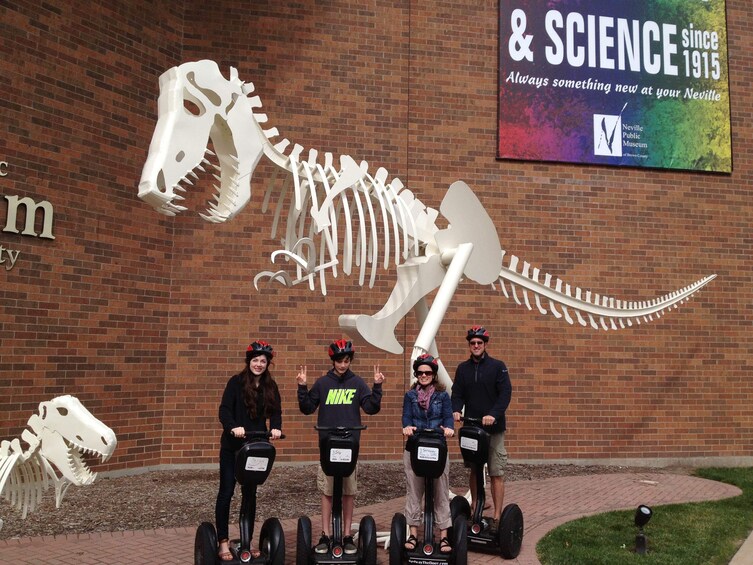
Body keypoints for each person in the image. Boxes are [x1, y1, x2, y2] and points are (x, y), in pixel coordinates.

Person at [297, 339, 385, 555]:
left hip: (349, 445)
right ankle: (326, 534)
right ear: (333, 361)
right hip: (328, 444)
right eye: (339, 361)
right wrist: (302, 386)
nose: (343, 365)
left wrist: (377, 386)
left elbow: (371, 408)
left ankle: (346, 535)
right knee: (327, 491)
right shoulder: (322, 383)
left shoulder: (357, 383)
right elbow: (307, 408)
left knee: (348, 492)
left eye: (346, 360)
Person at [215, 340, 282, 562]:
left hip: (255, 448)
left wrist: (275, 429)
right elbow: (224, 410)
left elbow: (276, 413)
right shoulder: (235, 383)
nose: (259, 364)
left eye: (263, 361)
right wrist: (233, 427)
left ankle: (247, 540)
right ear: (249, 361)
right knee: (226, 493)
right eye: (255, 360)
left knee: (250, 494)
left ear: (267, 363)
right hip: (232, 448)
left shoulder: (270, 387)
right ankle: (223, 541)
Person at [451, 325, 512, 532]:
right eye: (472, 343)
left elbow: (505, 394)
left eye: (479, 343)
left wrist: (493, 414)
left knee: (496, 471)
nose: (476, 346)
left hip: (493, 429)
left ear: (485, 344)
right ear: (469, 345)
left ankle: (496, 516)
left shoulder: (498, 367)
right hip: (472, 428)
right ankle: (476, 508)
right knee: (474, 470)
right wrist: (456, 410)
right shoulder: (463, 369)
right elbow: (457, 393)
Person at [401, 353, 455, 553]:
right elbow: (406, 416)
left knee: (441, 492)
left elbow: (448, 417)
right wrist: (407, 427)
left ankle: (444, 537)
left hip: (437, 448)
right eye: (420, 372)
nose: (423, 375)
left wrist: (449, 428)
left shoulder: (443, 396)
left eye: (428, 372)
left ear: (433, 374)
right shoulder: (410, 395)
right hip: (414, 447)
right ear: (417, 374)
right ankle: (413, 534)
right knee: (414, 492)